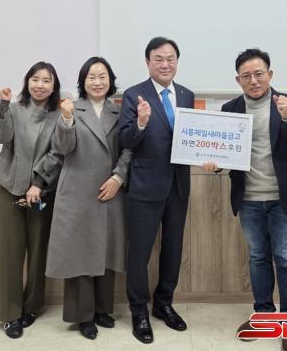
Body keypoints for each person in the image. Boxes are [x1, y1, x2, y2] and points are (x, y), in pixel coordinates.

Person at [202, 48, 287, 351]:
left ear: (270, 74)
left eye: (258, 74)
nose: (253, 80)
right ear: (238, 80)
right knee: (257, 258)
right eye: (246, 76)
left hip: (283, 199)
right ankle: (264, 316)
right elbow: (224, 151)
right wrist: (216, 164)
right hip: (249, 198)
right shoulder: (230, 108)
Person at [45, 57, 131, 340]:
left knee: (106, 251)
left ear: (111, 81)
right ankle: (83, 315)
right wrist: (67, 120)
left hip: (110, 191)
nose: (97, 82)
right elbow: (63, 148)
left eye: (102, 76)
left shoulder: (119, 111)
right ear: (83, 81)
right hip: (77, 192)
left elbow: (128, 150)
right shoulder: (71, 108)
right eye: (91, 77)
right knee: (80, 254)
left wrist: (118, 177)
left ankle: (103, 310)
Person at [118, 37, 194, 344]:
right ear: (147, 62)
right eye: (159, 59)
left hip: (179, 185)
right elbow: (125, 140)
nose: (165, 64)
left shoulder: (187, 95)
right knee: (139, 252)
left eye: (170, 58)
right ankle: (139, 310)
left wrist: (209, 156)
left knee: (173, 249)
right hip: (145, 185)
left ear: (177, 61)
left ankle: (164, 303)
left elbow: (193, 138)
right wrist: (140, 122)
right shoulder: (134, 94)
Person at [0, 61, 63, 339]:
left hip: (42, 193)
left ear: (54, 86)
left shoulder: (59, 116)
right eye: (35, 79)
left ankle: (31, 307)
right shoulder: (15, 109)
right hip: (10, 188)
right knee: (9, 253)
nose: (40, 85)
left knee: (38, 251)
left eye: (46, 80)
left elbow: (58, 154)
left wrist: (38, 184)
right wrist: (3, 106)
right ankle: (10, 314)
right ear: (27, 82)